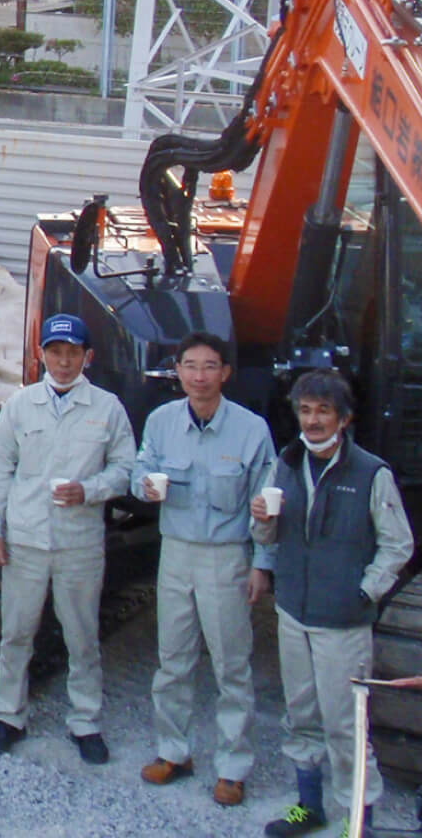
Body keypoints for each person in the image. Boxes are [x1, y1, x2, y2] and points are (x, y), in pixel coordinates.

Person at [251, 369, 414, 837]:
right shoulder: (286, 463)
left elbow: (398, 544)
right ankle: (309, 806)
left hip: (342, 622)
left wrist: (365, 591)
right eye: (305, 410)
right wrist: (261, 519)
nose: (313, 419)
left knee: (345, 724)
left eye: (323, 410)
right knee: (300, 715)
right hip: (293, 612)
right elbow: (267, 536)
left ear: (344, 418)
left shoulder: (370, 472)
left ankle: (357, 819)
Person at [0, 313, 136, 765]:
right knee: (16, 632)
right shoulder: (20, 405)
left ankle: (85, 721)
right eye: (55, 352)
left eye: (72, 353)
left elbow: (126, 468)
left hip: (79, 541)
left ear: (88, 357)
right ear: (40, 354)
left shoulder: (107, 408)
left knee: (82, 635)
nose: (64, 362)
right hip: (26, 539)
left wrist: (91, 490)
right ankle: (8, 715)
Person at [132, 331, 275, 806]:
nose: (199, 376)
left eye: (209, 366)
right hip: (175, 552)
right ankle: (173, 752)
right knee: (172, 660)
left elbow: (266, 503)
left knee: (231, 665)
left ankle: (233, 768)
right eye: (189, 366)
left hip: (226, 557)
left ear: (225, 373)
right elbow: (140, 468)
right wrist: (143, 486)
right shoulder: (161, 422)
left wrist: (262, 563)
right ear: (177, 371)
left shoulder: (251, 430)